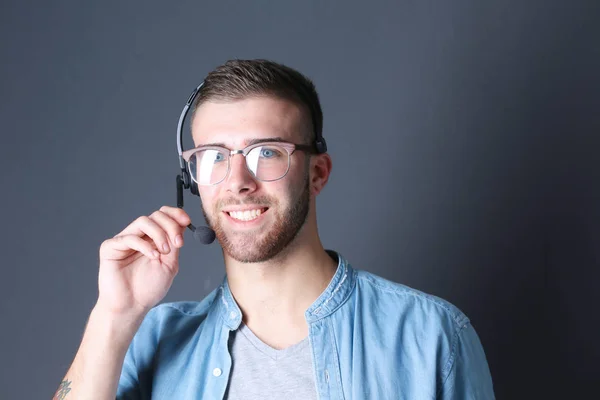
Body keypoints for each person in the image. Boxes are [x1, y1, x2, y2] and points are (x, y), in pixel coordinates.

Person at [54, 59, 495, 399]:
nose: (238, 181)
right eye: (213, 156)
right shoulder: (151, 339)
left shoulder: (431, 337)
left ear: (318, 173)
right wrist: (113, 317)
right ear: (190, 180)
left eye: (266, 152)